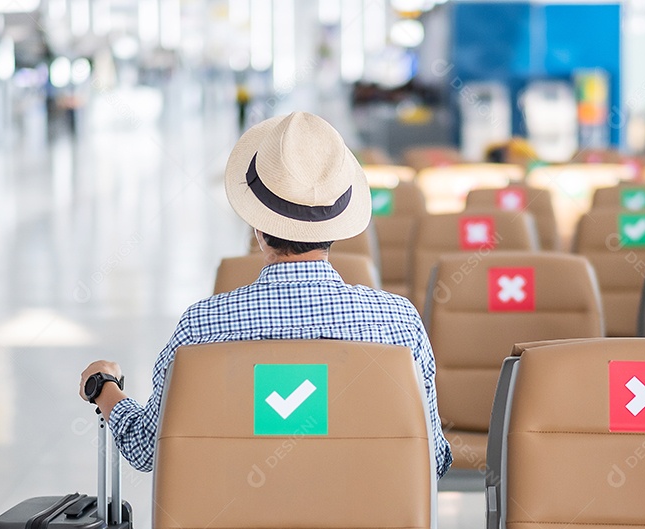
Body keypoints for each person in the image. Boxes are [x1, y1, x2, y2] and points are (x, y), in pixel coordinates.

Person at [78, 111, 452, 478]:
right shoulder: (398, 323)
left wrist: (104, 388)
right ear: (338, 226)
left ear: (258, 227)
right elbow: (432, 458)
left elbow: (148, 448)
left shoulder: (202, 327)